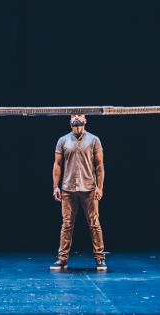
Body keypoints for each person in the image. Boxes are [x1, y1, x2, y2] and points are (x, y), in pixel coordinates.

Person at [50, 114, 106, 271]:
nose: (76, 117)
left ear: (85, 119)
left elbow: (99, 166)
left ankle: (100, 258)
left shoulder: (94, 140)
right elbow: (57, 165)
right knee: (67, 224)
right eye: (74, 114)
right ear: (70, 120)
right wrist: (56, 186)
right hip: (68, 188)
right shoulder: (63, 140)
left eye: (80, 114)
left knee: (94, 224)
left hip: (89, 188)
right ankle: (62, 259)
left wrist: (100, 187)